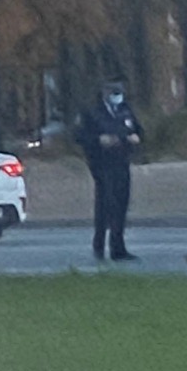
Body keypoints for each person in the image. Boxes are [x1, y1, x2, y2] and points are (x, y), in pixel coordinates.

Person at [75, 79, 144, 261]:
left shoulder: (125, 110)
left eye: (119, 92)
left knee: (121, 204)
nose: (117, 96)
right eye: (113, 92)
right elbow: (80, 136)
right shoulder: (93, 113)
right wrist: (99, 140)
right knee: (105, 204)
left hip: (122, 161)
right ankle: (99, 246)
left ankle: (118, 248)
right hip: (102, 164)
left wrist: (135, 138)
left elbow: (137, 129)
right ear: (105, 93)